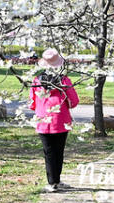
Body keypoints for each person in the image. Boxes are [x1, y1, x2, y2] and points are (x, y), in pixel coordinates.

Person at [30, 48, 79, 193]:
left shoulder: (36, 81)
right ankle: (56, 180)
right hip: (61, 120)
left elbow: (32, 103)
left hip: (43, 120)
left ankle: (52, 182)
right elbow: (74, 101)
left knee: (49, 152)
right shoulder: (64, 80)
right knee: (59, 151)